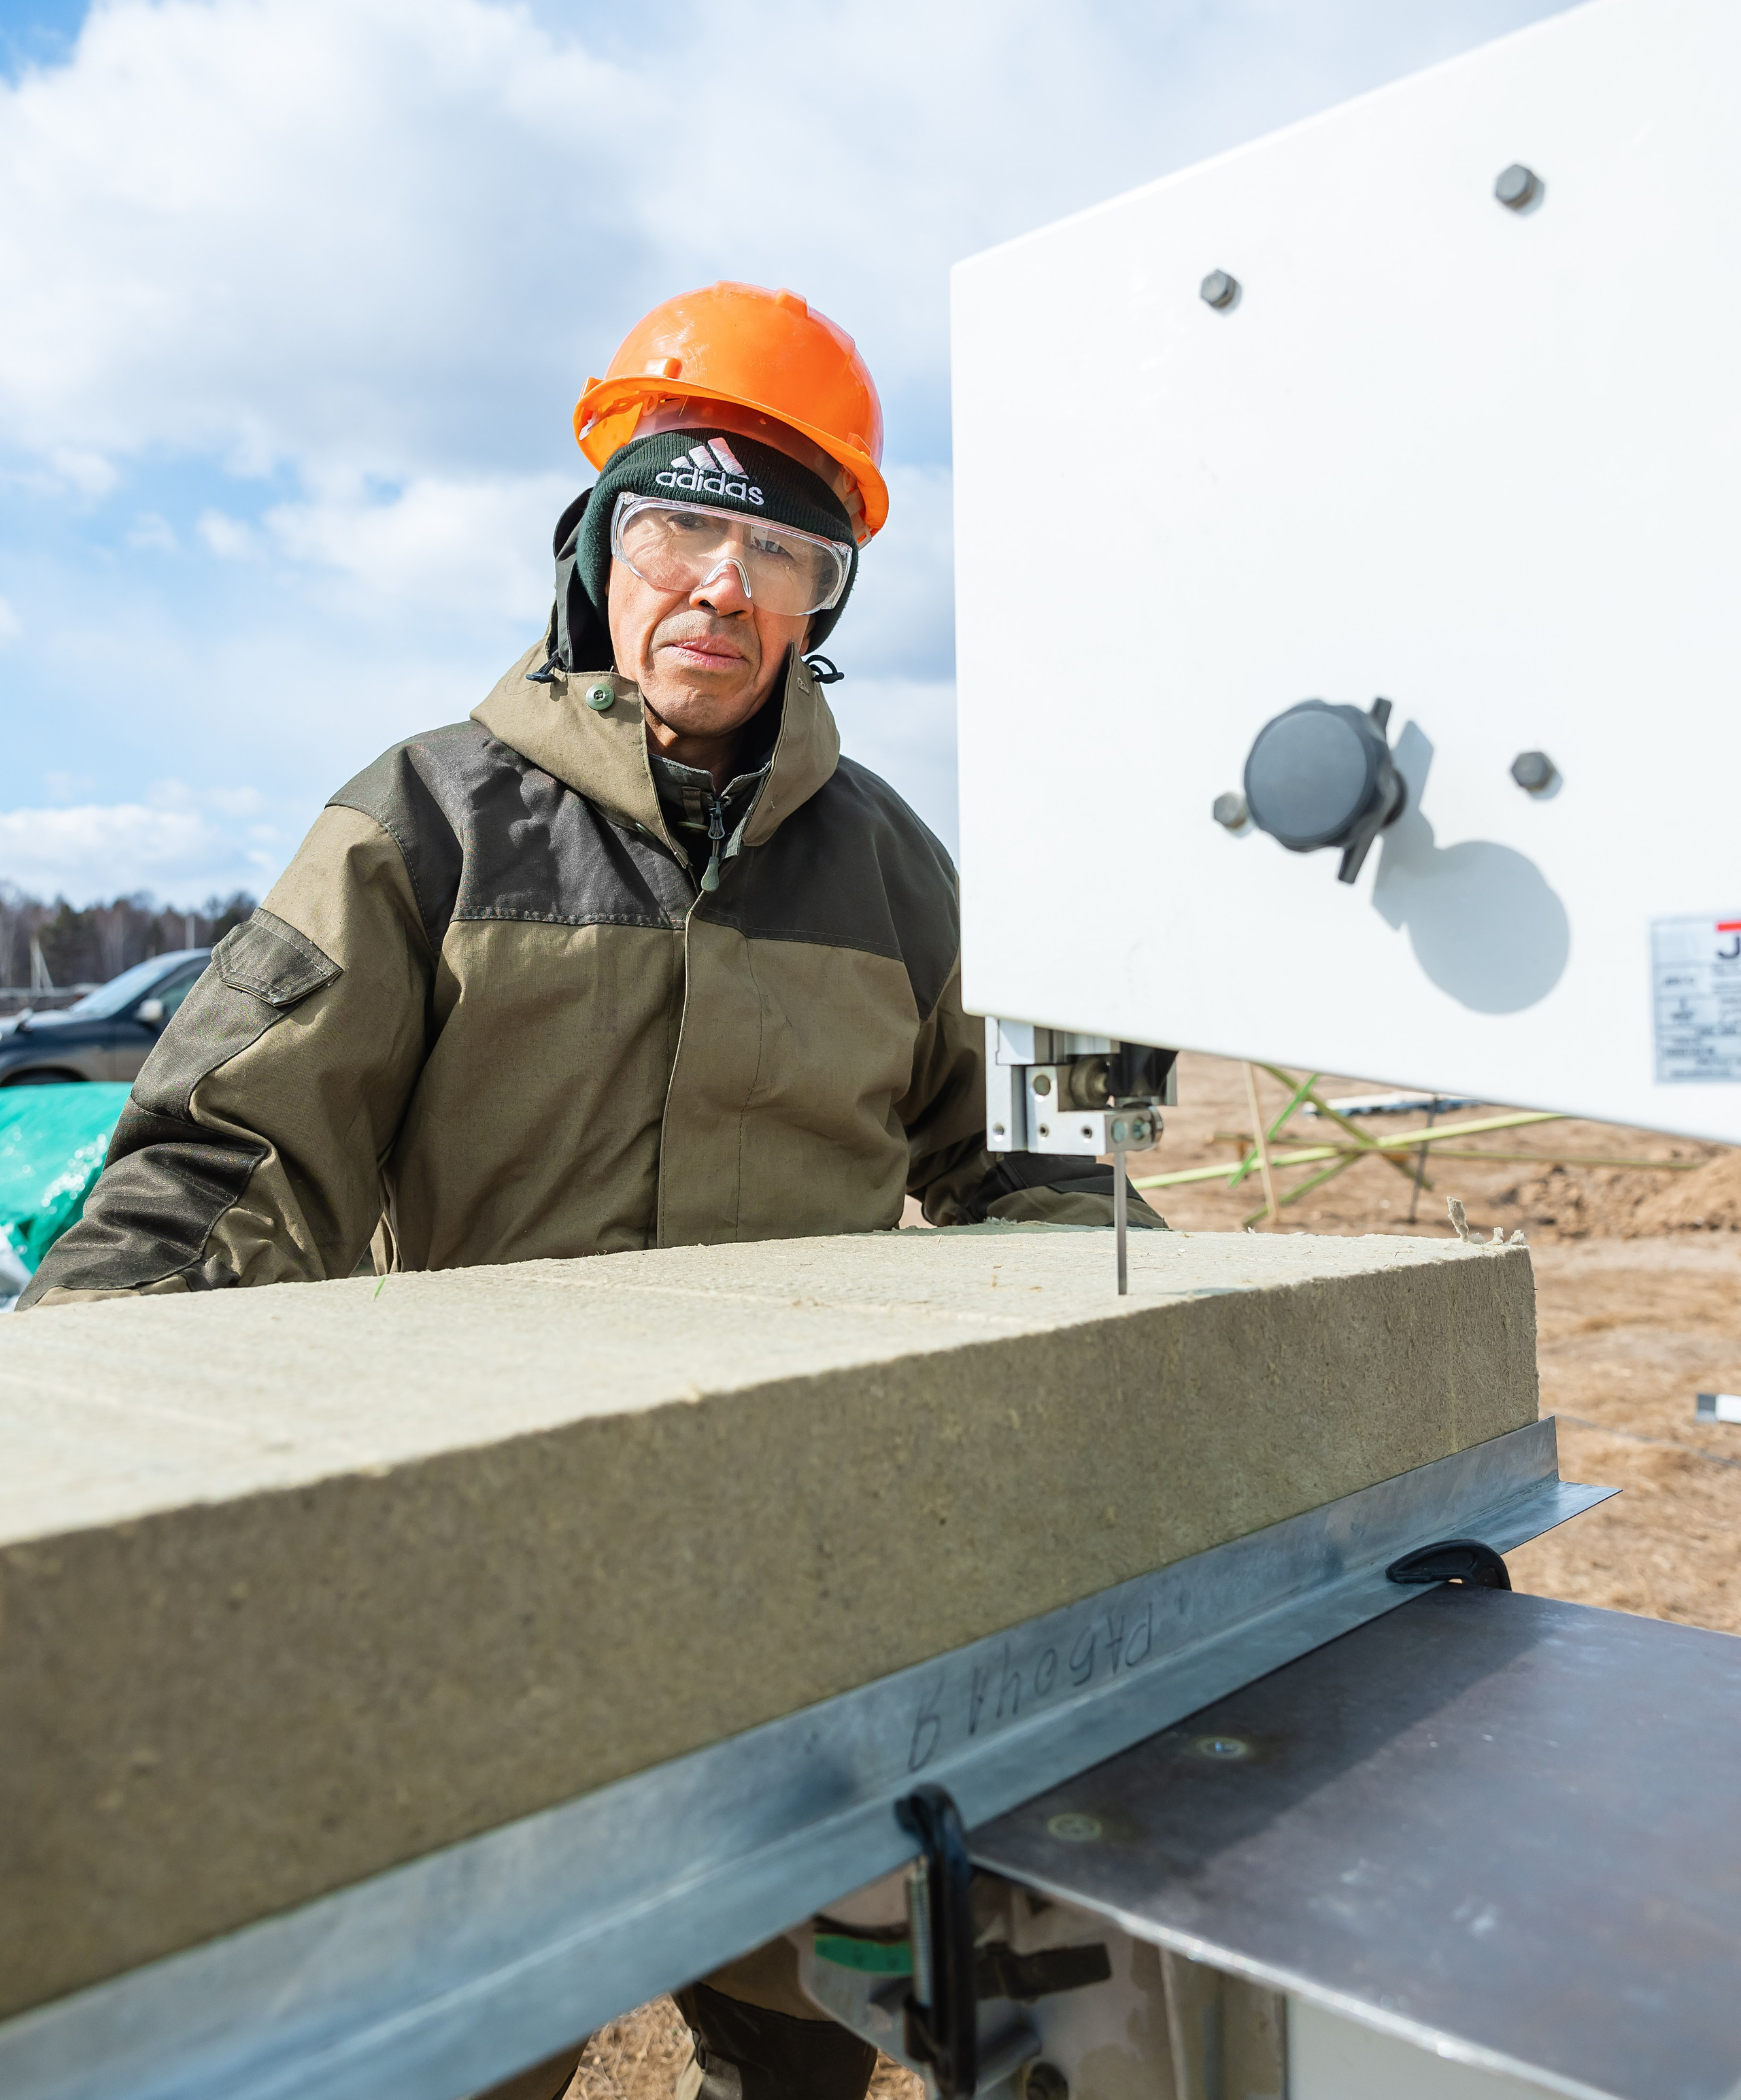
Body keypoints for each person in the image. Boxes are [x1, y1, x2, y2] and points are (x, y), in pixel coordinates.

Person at [18, 281, 1162, 2099]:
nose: (722, 585)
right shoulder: (419, 822)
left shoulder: (901, 874)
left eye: (784, 553)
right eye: (678, 530)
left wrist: (1174, 1364)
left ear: (827, 603)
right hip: (491, 1577)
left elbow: (1029, 1171)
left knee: (803, 2038)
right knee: (462, 2032)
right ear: (593, 548)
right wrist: (73, 1447)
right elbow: (230, 1156)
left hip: (811, 1579)